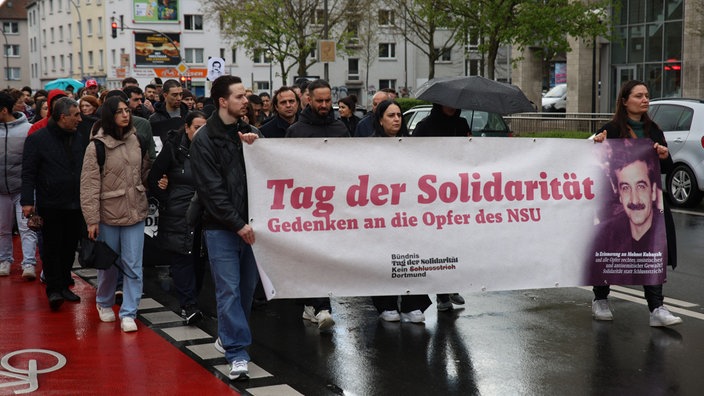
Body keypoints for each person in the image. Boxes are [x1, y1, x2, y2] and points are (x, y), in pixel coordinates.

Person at [591, 80, 681, 327]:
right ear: (624, 101)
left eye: (647, 95)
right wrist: (596, 145)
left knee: (652, 252)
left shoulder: (654, 130)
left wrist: (664, 155)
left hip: (652, 202)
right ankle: (600, 298)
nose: (645, 100)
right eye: (639, 95)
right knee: (609, 251)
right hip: (617, 203)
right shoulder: (610, 129)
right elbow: (594, 163)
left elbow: (666, 166)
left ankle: (657, 309)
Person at [189, 75, 259, 380]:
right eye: (239, 96)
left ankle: (227, 335)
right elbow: (211, 190)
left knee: (246, 291)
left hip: (252, 227)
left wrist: (256, 148)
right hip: (221, 228)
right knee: (228, 290)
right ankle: (236, 352)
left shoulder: (250, 133)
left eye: (245, 96)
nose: (246, 101)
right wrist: (237, 224)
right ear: (222, 101)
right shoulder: (203, 140)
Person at [80, 96, 151, 332]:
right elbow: (89, 185)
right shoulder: (96, 146)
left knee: (134, 264)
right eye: (119, 111)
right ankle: (104, 302)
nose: (125, 114)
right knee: (108, 265)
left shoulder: (137, 140)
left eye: (126, 110)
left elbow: (144, 172)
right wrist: (92, 219)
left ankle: (129, 311)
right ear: (109, 116)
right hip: (108, 213)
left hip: (135, 211)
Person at [286, 79, 348, 331]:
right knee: (312, 256)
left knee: (326, 257)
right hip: (306, 205)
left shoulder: (340, 129)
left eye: (328, 100)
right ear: (308, 99)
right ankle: (322, 306)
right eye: (319, 100)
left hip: (335, 204)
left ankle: (314, 305)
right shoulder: (296, 131)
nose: (324, 105)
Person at [368, 99, 431, 323]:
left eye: (398, 115)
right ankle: (386, 304)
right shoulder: (369, 147)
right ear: (380, 120)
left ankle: (413, 303)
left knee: (412, 257)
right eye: (391, 115)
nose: (396, 119)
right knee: (385, 258)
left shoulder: (411, 145)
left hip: (408, 212)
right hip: (382, 213)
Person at [21, 97, 86, 310]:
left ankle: (65, 283)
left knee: (69, 247)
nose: (80, 118)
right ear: (62, 117)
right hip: (50, 203)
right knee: (51, 247)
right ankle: (54, 289)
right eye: (75, 115)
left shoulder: (80, 137)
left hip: (75, 202)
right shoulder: (38, 139)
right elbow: (28, 173)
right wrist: (27, 201)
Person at [148, 111, 207, 325]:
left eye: (204, 127)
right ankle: (188, 305)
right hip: (179, 213)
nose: (200, 132)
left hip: (205, 212)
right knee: (182, 259)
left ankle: (193, 300)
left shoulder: (211, 148)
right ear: (187, 128)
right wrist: (167, 200)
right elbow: (154, 178)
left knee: (199, 261)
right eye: (196, 127)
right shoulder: (173, 148)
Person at [410, 102, 468, 311]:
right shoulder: (425, 125)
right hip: (432, 191)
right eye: (447, 103)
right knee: (438, 243)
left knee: (455, 242)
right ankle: (442, 294)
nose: (452, 106)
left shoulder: (461, 124)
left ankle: (451, 285)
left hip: (457, 190)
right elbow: (412, 155)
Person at [0, 92, 38, 279]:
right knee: (2, 228)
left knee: (27, 227)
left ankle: (29, 263)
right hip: (1, 190)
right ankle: (4, 260)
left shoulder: (28, 129)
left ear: (4, 110)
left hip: (23, 188)